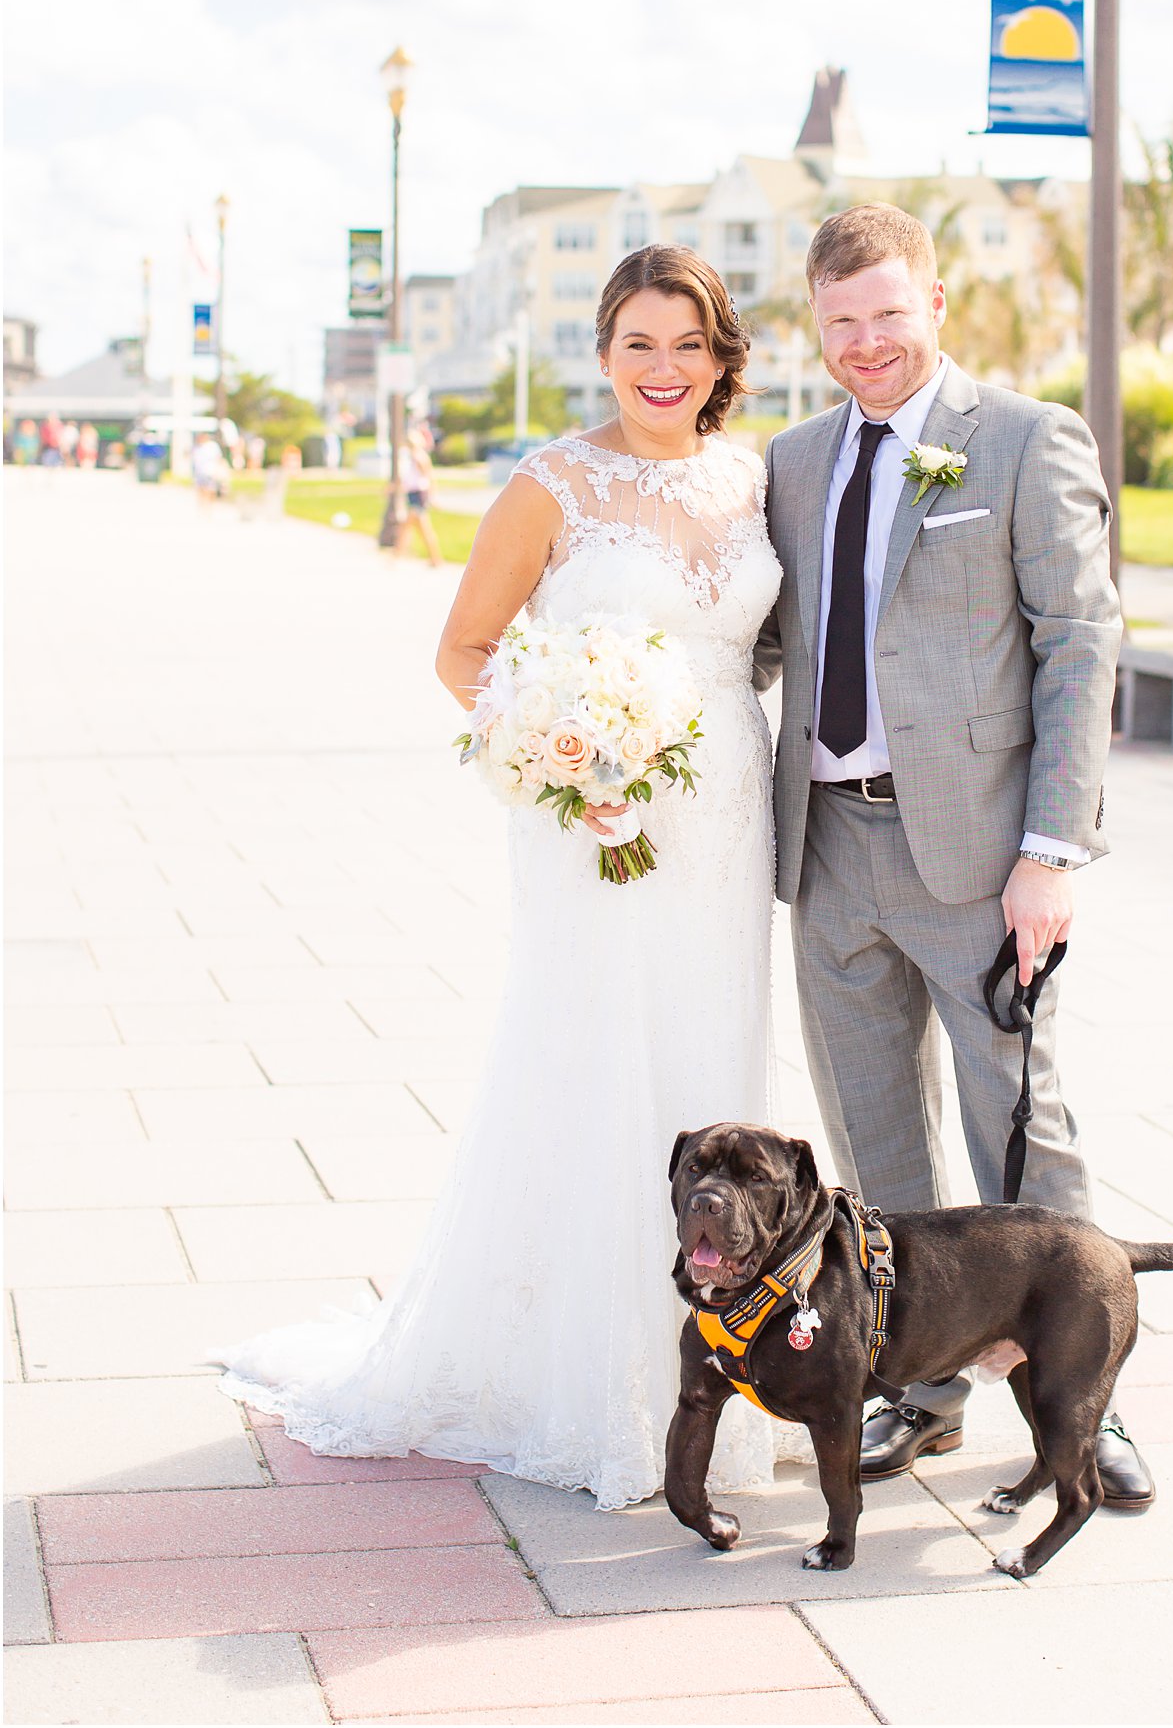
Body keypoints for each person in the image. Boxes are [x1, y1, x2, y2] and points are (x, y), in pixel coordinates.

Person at [218, 246, 789, 1509]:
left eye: (686, 344)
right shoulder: (552, 485)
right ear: (601, 352)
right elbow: (464, 651)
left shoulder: (752, 480)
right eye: (637, 343)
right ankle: (590, 1381)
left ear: (720, 356)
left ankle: (719, 1364)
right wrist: (560, 748)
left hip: (725, 821)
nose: (662, 368)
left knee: (710, 1063)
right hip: (596, 822)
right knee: (600, 1070)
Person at [754, 201, 1153, 1507]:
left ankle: (1081, 1405)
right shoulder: (795, 459)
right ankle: (917, 1394)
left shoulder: (1026, 442)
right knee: (873, 1154)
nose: (865, 343)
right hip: (826, 850)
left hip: (982, 860)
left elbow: (1080, 645)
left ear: (937, 303)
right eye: (840, 322)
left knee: (1026, 1145)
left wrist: (1051, 851)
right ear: (816, 325)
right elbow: (763, 638)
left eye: (887, 313)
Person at [397, 426, 442, 566]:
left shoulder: (419, 457)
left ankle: (398, 555)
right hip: (413, 494)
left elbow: (429, 478)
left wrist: (432, 497)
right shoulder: (413, 457)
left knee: (416, 528)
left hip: (418, 495)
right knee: (411, 527)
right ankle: (400, 554)